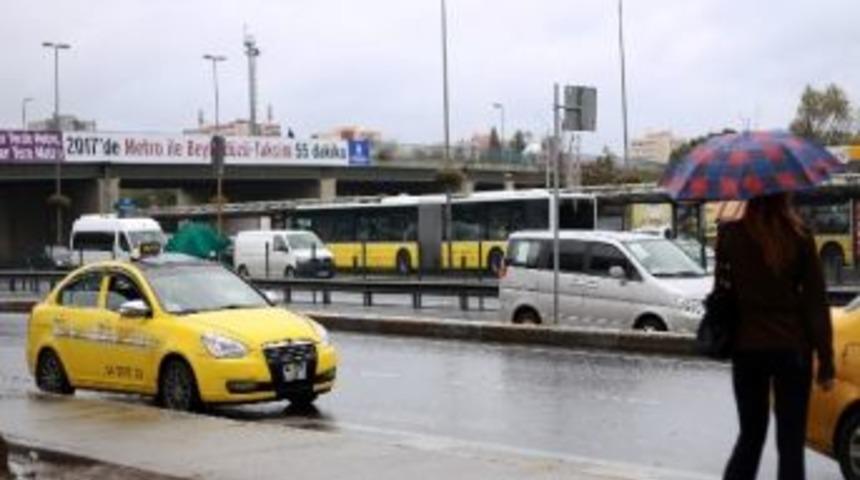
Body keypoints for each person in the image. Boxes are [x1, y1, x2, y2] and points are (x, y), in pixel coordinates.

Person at [718, 193, 835, 480]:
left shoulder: (731, 236)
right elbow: (815, 302)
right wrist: (826, 359)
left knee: (750, 437)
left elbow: (723, 295)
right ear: (784, 196)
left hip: (747, 348)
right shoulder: (800, 236)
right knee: (791, 444)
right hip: (792, 349)